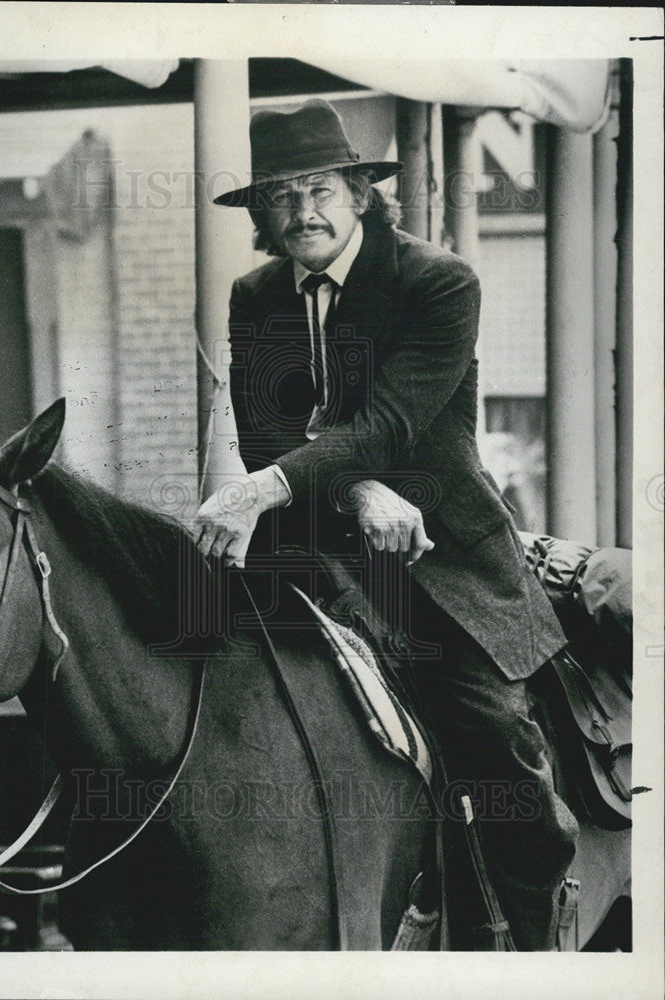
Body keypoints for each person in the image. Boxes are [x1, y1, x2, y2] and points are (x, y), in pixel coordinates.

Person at [192, 98, 577, 950]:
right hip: (310, 555)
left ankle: (531, 943)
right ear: (260, 211)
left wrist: (280, 488)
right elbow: (263, 430)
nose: (303, 212)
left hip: (437, 558)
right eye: (281, 195)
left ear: (361, 193)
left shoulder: (436, 281)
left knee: (490, 733)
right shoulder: (255, 294)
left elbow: (394, 423)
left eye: (320, 188)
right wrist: (356, 493)